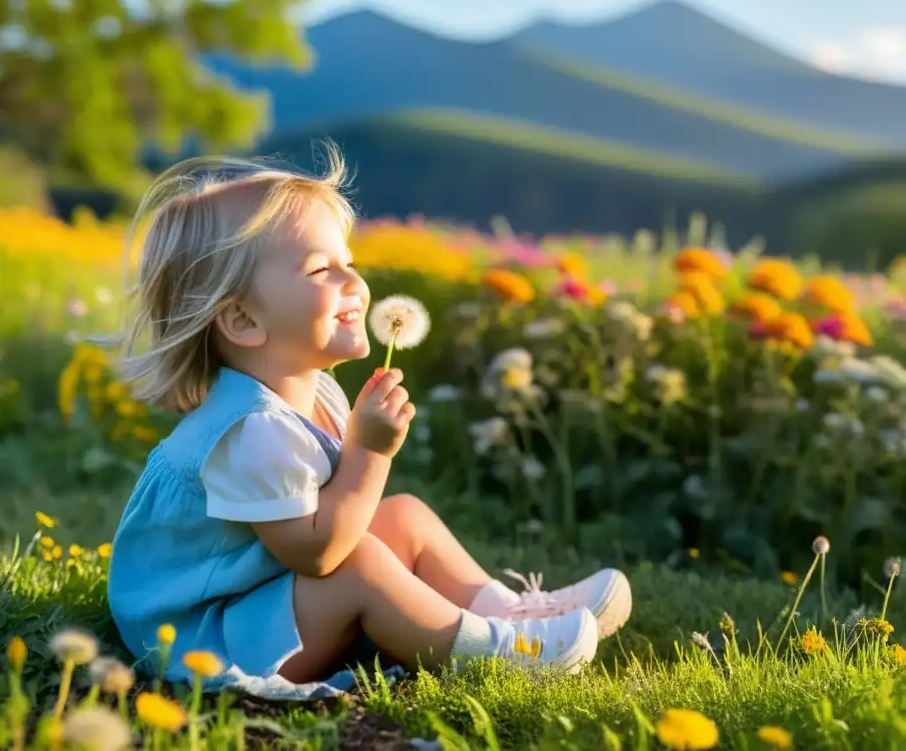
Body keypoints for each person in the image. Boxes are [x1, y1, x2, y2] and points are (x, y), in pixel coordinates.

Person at [106, 145, 631, 689]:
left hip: (258, 601)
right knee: (359, 565)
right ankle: (497, 652)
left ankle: (511, 612)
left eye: (349, 264)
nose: (353, 283)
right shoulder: (252, 432)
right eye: (321, 270)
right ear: (242, 318)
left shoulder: (319, 395)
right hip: (203, 640)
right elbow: (319, 553)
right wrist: (371, 452)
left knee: (401, 517)